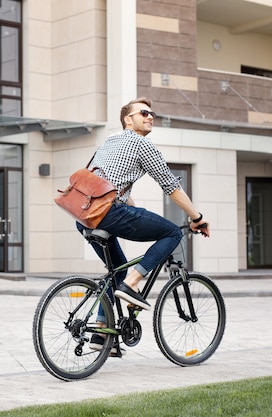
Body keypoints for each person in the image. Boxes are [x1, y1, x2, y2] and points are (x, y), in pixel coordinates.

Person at [75, 97, 210, 353]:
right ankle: (134, 283)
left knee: (115, 271)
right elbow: (171, 186)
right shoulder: (141, 143)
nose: (150, 117)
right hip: (109, 213)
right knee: (171, 232)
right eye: (144, 113)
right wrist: (197, 217)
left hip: (84, 217)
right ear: (129, 119)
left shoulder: (110, 142)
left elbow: (115, 189)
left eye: (153, 114)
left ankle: (101, 337)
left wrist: (134, 210)